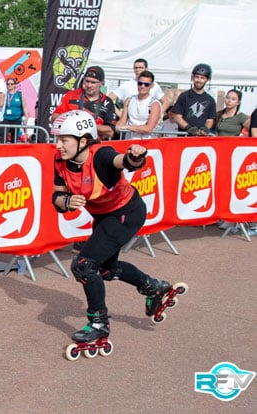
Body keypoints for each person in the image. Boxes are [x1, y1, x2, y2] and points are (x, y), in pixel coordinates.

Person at [51, 110, 184, 352]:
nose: (58, 145)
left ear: (83, 140)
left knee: (83, 264)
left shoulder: (101, 156)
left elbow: (124, 161)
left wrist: (136, 156)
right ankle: (153, 287)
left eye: (64, 139)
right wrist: (66, 202)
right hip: (104, 216)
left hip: (127, 213)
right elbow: (57, 197)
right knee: (104, 269)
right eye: (57, 139)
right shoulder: (60, 160)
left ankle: (99, 321)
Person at [51, 66, 117, 141]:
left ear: (102, 83)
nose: (89, 85)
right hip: (71, 142)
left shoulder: (107, 102)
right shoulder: (71, 95)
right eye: (87, 81)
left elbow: (110, 131)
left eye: (93, 82)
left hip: (93, 144)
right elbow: (54, 118)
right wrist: (72, 122)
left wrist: (86, 125)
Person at [115, 71, 163, 139]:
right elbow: (122, 122)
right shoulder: (129, 100)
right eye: (140, 83)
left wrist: (127, 127)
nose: (142, 86)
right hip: (129, 140)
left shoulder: (154, 104)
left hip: (146, 142)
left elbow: (149, 128)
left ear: (151, 86)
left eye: (146, 84)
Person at [171, 63, 216, 136]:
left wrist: (205, 128)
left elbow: (210, 119)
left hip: (201, 138)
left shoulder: (210, 100)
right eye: (197, 77)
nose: (199, 80)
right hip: (184, 136)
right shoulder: (184, 96)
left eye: (202, 78)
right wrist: (188, 127)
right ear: (193, 77)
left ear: (207, 80)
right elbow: (177, 116)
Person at [3, 77, 30, 142]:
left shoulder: (19, 94)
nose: (9, 85)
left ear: (15, 85)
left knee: (14, 139)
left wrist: (26, 117)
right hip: (5, 119)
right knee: (4, 138)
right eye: (8, 84)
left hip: (16, 119)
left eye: (11, 84)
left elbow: (24, 107)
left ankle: (13, 151)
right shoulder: (4, 94)